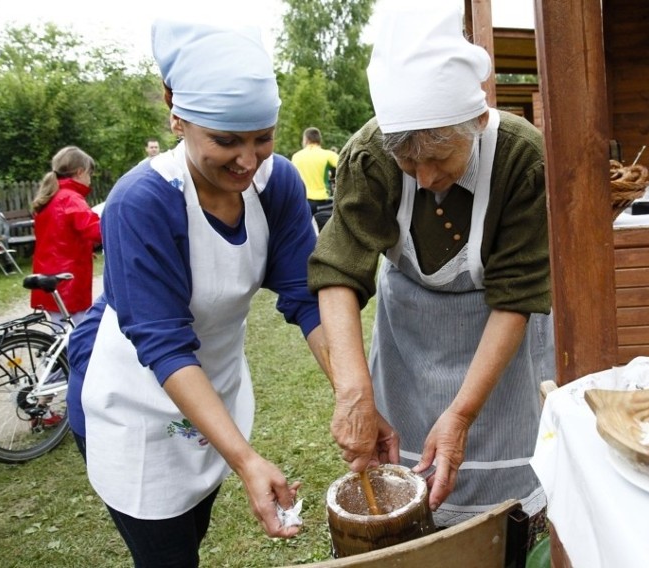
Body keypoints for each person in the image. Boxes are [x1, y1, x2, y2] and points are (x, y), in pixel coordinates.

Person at [66, 19, 327, 567]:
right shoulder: (142, 201)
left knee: (192, 529)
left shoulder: (275, 182)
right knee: (166, 553)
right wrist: (247, 459)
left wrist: (353, 396)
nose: (248, 161)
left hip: (213, 389)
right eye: (226, 141)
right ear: (176, 114)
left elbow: (309, 297)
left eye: (263, 137)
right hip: (135, 401)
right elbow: (162, 344)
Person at [308, 0, 551, 529]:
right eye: (408, 160)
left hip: (498, 347)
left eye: (438, 158)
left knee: (505, 506)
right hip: (411, 343)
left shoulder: (520, 159)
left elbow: (516, 298)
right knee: (415, 479)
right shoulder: (369, 156)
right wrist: (353, 393)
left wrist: (462, 412)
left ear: (476, 121)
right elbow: (338, 273)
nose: (423, 175)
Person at [30, 146, 102, 326]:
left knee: (60, 331)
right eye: (89, 174)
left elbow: (58, 236)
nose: (89, 180)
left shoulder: (51, 196)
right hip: (67, 281)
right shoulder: (71, 198)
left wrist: (83, 248)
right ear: (80, 172)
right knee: (79, 333)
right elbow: (95, 229)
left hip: (49, 272)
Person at [291, 127, 339, 218]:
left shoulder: (296, 156)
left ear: (306, 140)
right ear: (319, 140)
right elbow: (345, 165)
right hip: (323, 202)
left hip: (302, 201)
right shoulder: (328, 155)